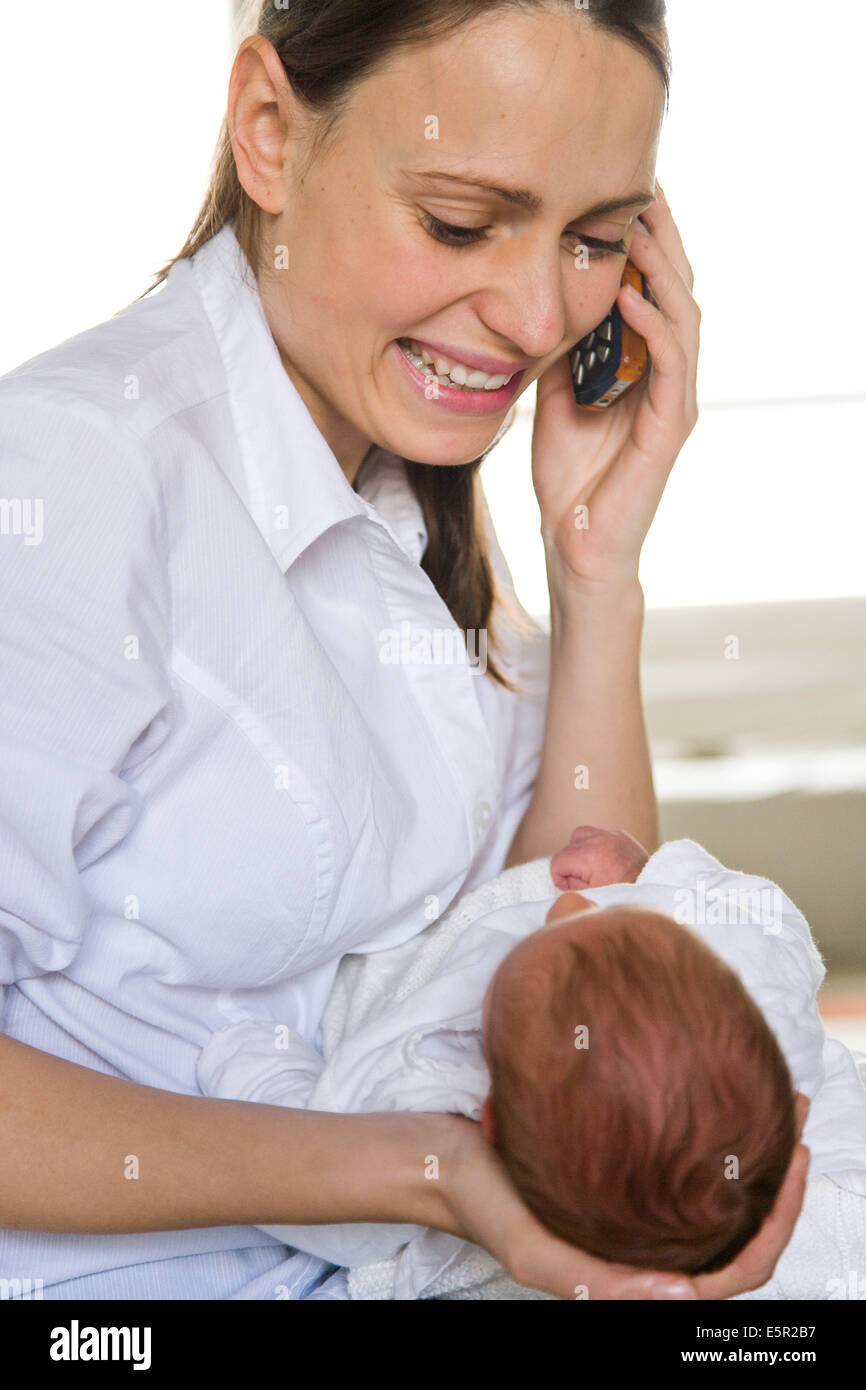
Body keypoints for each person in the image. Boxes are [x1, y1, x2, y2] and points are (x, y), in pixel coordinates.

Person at [0, 0, 807, 1300]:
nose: (542, 314)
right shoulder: (72, 477)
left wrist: (594, 568)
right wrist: (418, 1172)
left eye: (595, 239)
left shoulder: (399, 506)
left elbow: (549, 948)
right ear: (270, 131)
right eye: (458, 222)